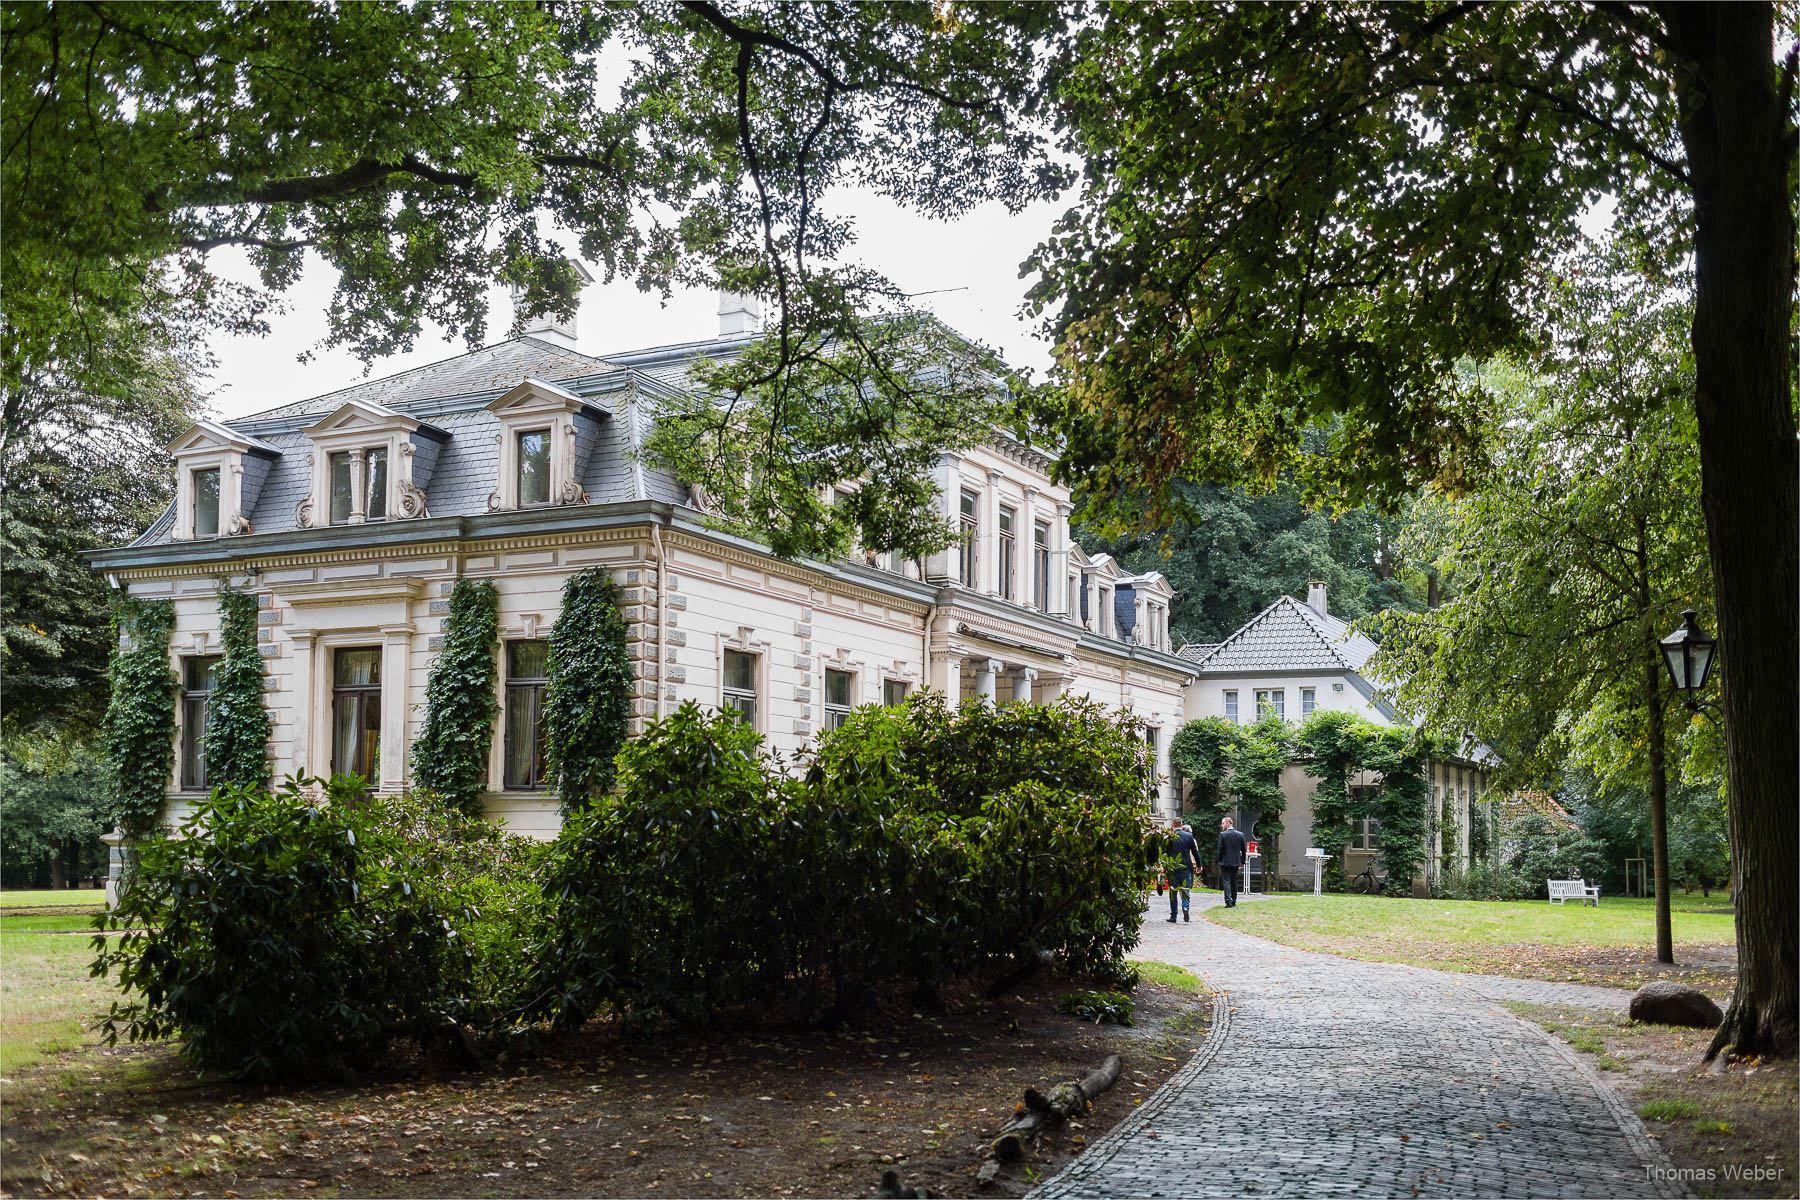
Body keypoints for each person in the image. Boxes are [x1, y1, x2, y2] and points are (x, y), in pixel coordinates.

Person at [1164, 817, 1200, 922]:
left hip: (1172, 867)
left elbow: (1165, 852)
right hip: (1186, 867)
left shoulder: (1169, 837)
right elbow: (1195, 852)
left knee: (1173, 890)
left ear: (1172, 825)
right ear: (1181, 824)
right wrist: (1199, 865)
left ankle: (1174, 915)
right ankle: (1185, 908)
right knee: (1185, 888)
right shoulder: (1189, 836)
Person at [1217, 817, 1248, 907]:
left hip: (1225, 862)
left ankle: (1228, 901)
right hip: (1235, 862)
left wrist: (1219, 860)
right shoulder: (1240, 835)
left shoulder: (1223, 835)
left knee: (1226, 881)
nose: (1222, 825)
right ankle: (1234, 900)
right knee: (1234, 881)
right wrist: (1242, 862)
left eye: (1223, 823)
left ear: (1228, 823)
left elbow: (1220, 850)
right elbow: (1243, 850)